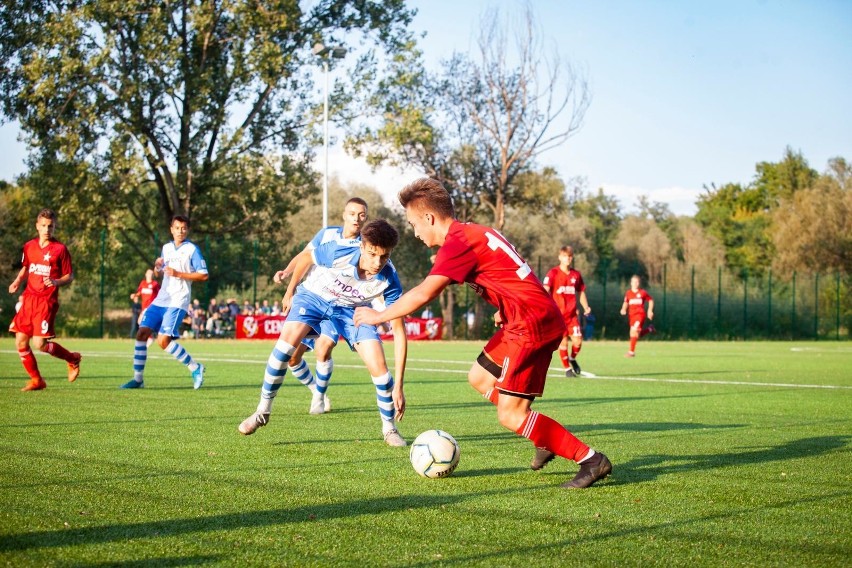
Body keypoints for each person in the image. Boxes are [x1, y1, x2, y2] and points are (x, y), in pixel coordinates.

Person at [354, 178, 611, 488]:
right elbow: (512, 269)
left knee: (510, 415)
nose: (415, 232)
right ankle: (540, 434)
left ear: (429, 218)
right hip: (522, 318)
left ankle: (591, 459)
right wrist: (504, 304)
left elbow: (423, 293)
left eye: (413, 223)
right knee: (479, 377)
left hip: (531, 325)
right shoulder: (475, 232)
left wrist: (377, 315)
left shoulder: (457, 243)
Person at [239, 219, 408, 447]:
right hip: (314, 298)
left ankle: (389, 429)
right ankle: (262, 412)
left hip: (352, 310)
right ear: (361, 247)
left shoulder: (389, 279)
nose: (378, 262)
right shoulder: (339, 251)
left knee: (381, 370)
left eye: (384, 256)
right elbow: (306, 258)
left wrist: (399, 384)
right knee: (284, 349)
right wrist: (290, 291)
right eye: (371, 254)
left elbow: (399, 331)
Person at [271, 197, 369, 414]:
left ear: (366, 218)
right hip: (313, 301)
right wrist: (287, 273)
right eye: (352, 213)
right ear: (344, 214)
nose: (356, 218)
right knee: (293, 359)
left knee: (323, 349)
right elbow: (305, 256)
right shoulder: (326, 234)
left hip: (337, 306)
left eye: (361, 215)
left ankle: (319, 398)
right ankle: (316, 389)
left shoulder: (364, 246)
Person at [121, 215, 208, 389]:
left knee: (162, 341)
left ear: (187, 230)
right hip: (161, 299)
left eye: (183, 228)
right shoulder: (166, 248)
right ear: (171, 229)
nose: (180, 231)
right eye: (177, 228)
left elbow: (204, 274)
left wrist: (179, 274)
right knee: (141, 333)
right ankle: (138, 379)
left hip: (178, 300)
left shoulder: (192, 250)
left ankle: (195, 367)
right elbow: (159, 271)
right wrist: (157, 266)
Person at [8, 208, 82, 391]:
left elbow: (70, 276)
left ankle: (72, 359)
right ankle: (36, 380)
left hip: (46, 301)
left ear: (54, 227)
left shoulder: (60, 250)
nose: (47, 229)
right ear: (37, 226)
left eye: (50, 226)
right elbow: (26, 267)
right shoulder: (29, 246)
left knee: (40, 344)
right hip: (29, 299)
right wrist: (17, 280)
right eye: (43, 226)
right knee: (20, 342)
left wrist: (56, 281)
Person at [542, 246, 592, 377]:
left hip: (571, 316)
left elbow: (581, 292)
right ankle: (567, 369)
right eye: (565, 256)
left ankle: (572, 358)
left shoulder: (576, 275)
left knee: (578, 341)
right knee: (563, 343)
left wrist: (586, 307)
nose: (568, 258)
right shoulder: (553, 273)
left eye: (570, 256)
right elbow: (545, 290)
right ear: (560, 257)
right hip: (558, 317)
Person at [620, 275, 655, 357]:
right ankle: (650, 329)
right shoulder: (628, 293)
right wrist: (623, 309)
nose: (635, 283)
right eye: (634, 282)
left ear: (639, 283)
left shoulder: (642, 292)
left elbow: (651, 300)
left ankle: (631, 352)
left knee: (634, 331)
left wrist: (650, 310)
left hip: (640, 315)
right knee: (635, 335)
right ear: (631, 283)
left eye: (637, 282)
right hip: (631, 316)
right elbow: (626, 302)